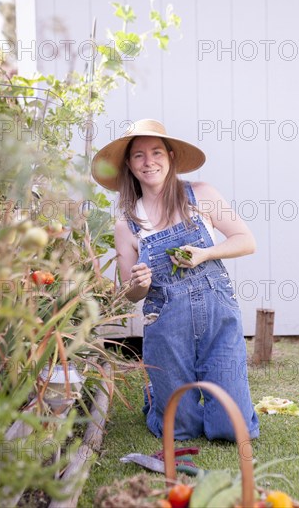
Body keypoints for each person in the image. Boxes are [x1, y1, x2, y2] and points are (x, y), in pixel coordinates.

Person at [92, 119, 259, 442]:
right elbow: (132, 294)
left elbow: (245, 240)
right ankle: (156, 395)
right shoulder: (127, 224)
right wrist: (139, 280)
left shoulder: (200, 195)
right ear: (129, 164)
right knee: (179, 430)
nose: (148, 161)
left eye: (156, 152)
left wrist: (203, 254)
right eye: (138, 155)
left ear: (170, 157)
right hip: (166, 322)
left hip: (217, 315)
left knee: (232, 430)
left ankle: (196, 397)